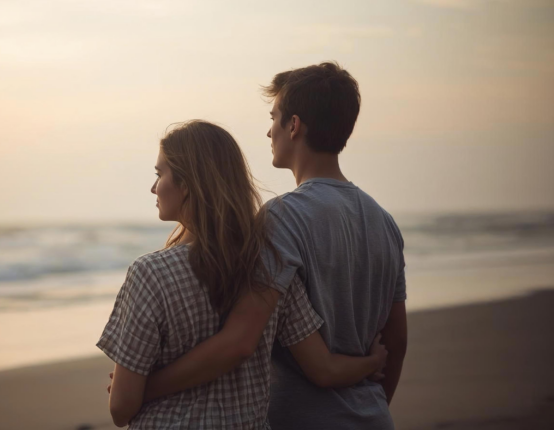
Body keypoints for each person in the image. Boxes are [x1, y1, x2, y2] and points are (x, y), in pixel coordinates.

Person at [138, 63, 408, 430]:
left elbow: (239, 341)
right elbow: (397, 341)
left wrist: (145, 388)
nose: (269, 130)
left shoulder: (282, 219)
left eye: (274, 117)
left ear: (293, 125)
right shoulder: (384, 222)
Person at [97, 120, 388, 428]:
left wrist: (133, 389)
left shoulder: (150, 274)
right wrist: (371, 362)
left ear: (187, 184)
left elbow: (120, 408)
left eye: (160, 174)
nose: (154, 187)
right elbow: (324, 369)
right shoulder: (268, 268)